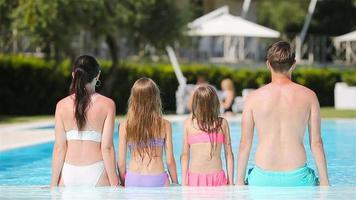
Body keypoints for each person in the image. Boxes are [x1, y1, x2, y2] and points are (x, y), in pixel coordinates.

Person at [237, 41, 329, 186]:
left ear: (268, 64)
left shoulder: (253, 98)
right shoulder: (309, 96)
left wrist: (239, 182)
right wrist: (325, 182)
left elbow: (244, 143)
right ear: (294, 64)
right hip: (297, 177)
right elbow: (316, 143)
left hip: (262, 178)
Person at [51, 55, 118, 187]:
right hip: (97, 173)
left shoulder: (61, 105)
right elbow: (107, 148)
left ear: (73, 75)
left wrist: (53, 185)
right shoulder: (107, 104)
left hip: (68, 174)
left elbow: (60, 148)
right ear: (98, 75)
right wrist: (115, 183)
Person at [118, 77, 178, 187]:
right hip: (157, 176)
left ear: (134, 99)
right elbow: (170, 161)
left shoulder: (124, 126)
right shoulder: (165, 125)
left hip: (133, 177)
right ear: (155, 98)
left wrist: (123, 182)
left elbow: (121, 163)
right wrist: (176, 183)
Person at [181, 84, 234, 186]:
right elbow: (229, 154)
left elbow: (184, 155)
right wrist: (230, 181)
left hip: (194, 179)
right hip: (216, 178)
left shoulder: (189, 123)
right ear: (215, 103)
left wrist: (184, 181)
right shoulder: (222, 123)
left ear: (196, 103)